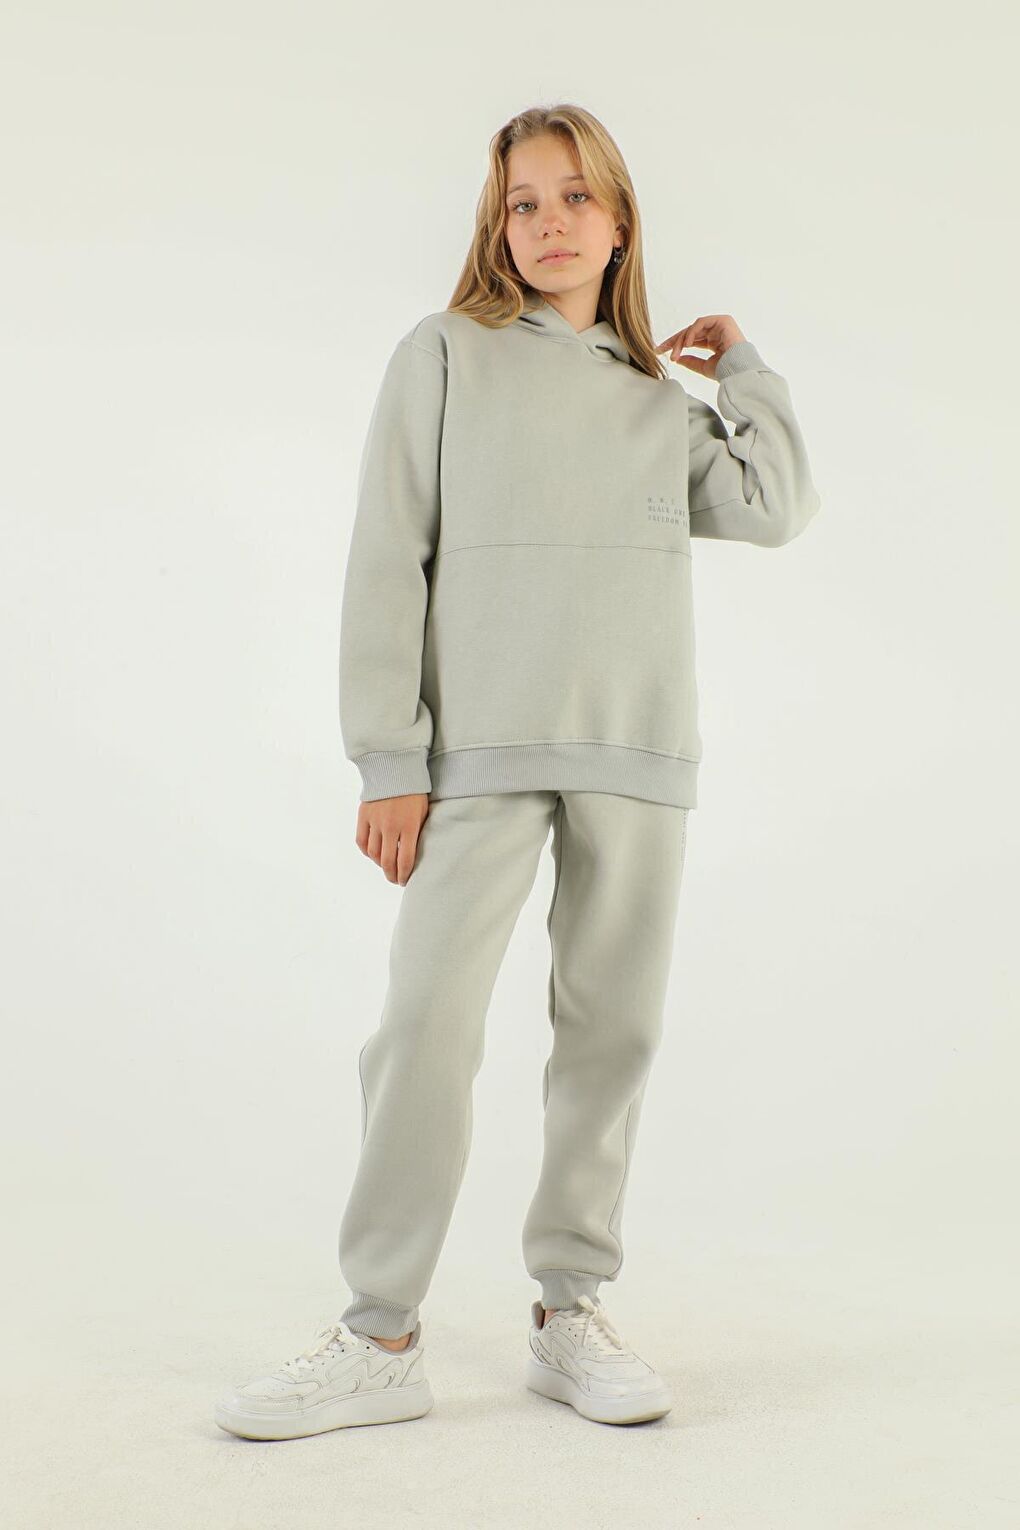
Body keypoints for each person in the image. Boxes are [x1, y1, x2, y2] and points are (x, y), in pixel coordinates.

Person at [214, 101, 820, 1441]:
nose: (548, 223)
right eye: (522, 202)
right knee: (424, 1025)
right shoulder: (444, 354)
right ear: (497, 226)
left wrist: (742, 367)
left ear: (620, 220)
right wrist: (389, 753)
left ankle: (570, 1311)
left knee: (612, 1034)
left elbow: (776, 505)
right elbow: (389, 552)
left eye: (574, 196)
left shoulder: (655, 402)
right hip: (475, 755)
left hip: (637, 752)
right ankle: (380, 1331)